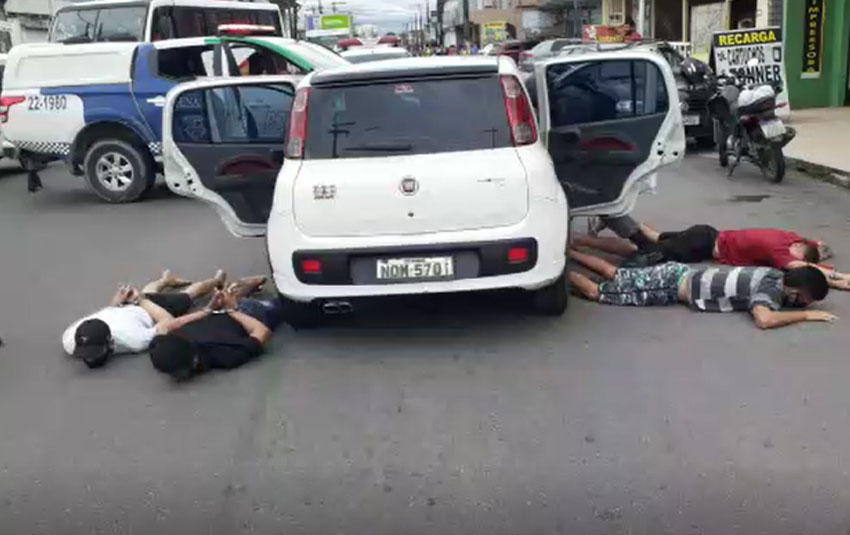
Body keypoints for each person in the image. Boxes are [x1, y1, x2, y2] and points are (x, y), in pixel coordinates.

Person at [566, 249, 836, 329]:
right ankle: (556, 272)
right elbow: (764, 319)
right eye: (803, 300)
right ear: (796, 290)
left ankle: (565, 250)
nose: (801, 304)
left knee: (615, 273)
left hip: (680, 272)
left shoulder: (775, 273)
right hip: (672, 283)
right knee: (598, 292)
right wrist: (806, 317)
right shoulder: (770, 290)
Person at [576, 217, 849, 290]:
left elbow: (816, 247)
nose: (795, 252)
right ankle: (610, 224)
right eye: (799, 251)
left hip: (704, 234)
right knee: (643, 252)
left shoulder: (789, 237)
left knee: (650, 238)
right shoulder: (781, 250)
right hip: (701, 245)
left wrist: (825, 258)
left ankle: (605, 222)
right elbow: (803, 268)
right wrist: (839, 277)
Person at [62, 270, 225, 368]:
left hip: (149, 311)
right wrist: (115, 304)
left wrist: (140, 300)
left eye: (94, 353)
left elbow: (166, 320)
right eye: (86, 353)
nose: (89, 358)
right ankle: (166, 280)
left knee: (188, 295)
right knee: (149, 291)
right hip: (125, 308)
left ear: (111, 342)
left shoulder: (134, 340)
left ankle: (217, 280)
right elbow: (106, 313)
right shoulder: (70, 339)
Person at [149, 276, 281, 381]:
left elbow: (169, 325)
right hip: (248, 318)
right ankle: (248, 293)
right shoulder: (226, 355)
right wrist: (231, 310)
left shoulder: (172, 344)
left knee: (227, 297)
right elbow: (262, 331)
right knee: (279, 306)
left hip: (218, 312)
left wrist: (207, 310)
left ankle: (241, 291)